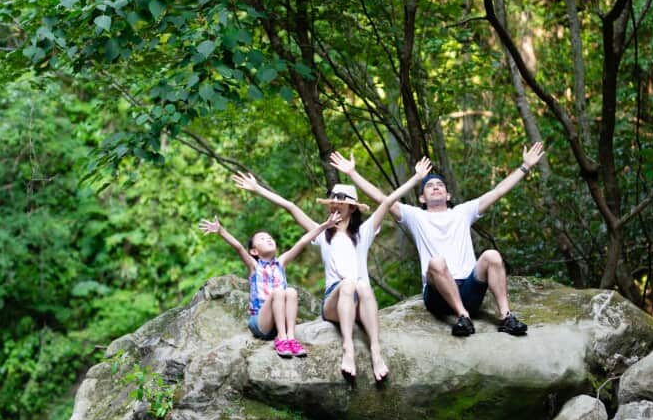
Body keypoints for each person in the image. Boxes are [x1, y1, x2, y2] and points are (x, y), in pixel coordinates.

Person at [233, 157, 431, 382]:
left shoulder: (363, 233)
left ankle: (376, 352)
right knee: (348, 284)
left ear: (351, 208)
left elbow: (387, 202)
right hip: (333, 302)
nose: (334, 203)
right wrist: (258, 189)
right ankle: (348, 349)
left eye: (341, 201)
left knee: (363, 286)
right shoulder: (322, 234)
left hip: (359, 298)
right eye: (332, 201)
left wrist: (416, 178)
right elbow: (290, 207)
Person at [329, 143, 545, 337]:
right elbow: (382, 199)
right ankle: (463, 316)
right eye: (429, 186)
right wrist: (352, 173)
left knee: (492, 256)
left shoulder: (463, 212)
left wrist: (525, 167)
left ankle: (505, 316)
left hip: (469, 288)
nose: (435, 187)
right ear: (422, 198)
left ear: (448, 195)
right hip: (437, 295)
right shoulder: (415, 216)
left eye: (439, 185)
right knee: (437, 262)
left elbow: (498, 192)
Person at [199, 211, 340, 358]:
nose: (268, 239)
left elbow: (303, 241)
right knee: (279, 292)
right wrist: (221, 231)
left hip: (281, 320)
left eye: (270, 238)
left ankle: (290, 338)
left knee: (291, 291)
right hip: (261, 322)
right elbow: (239, 247)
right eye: (262, 239)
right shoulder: (254, 265)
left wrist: (326, 225)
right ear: (254, 251)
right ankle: (281, 338)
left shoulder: (281, 262)